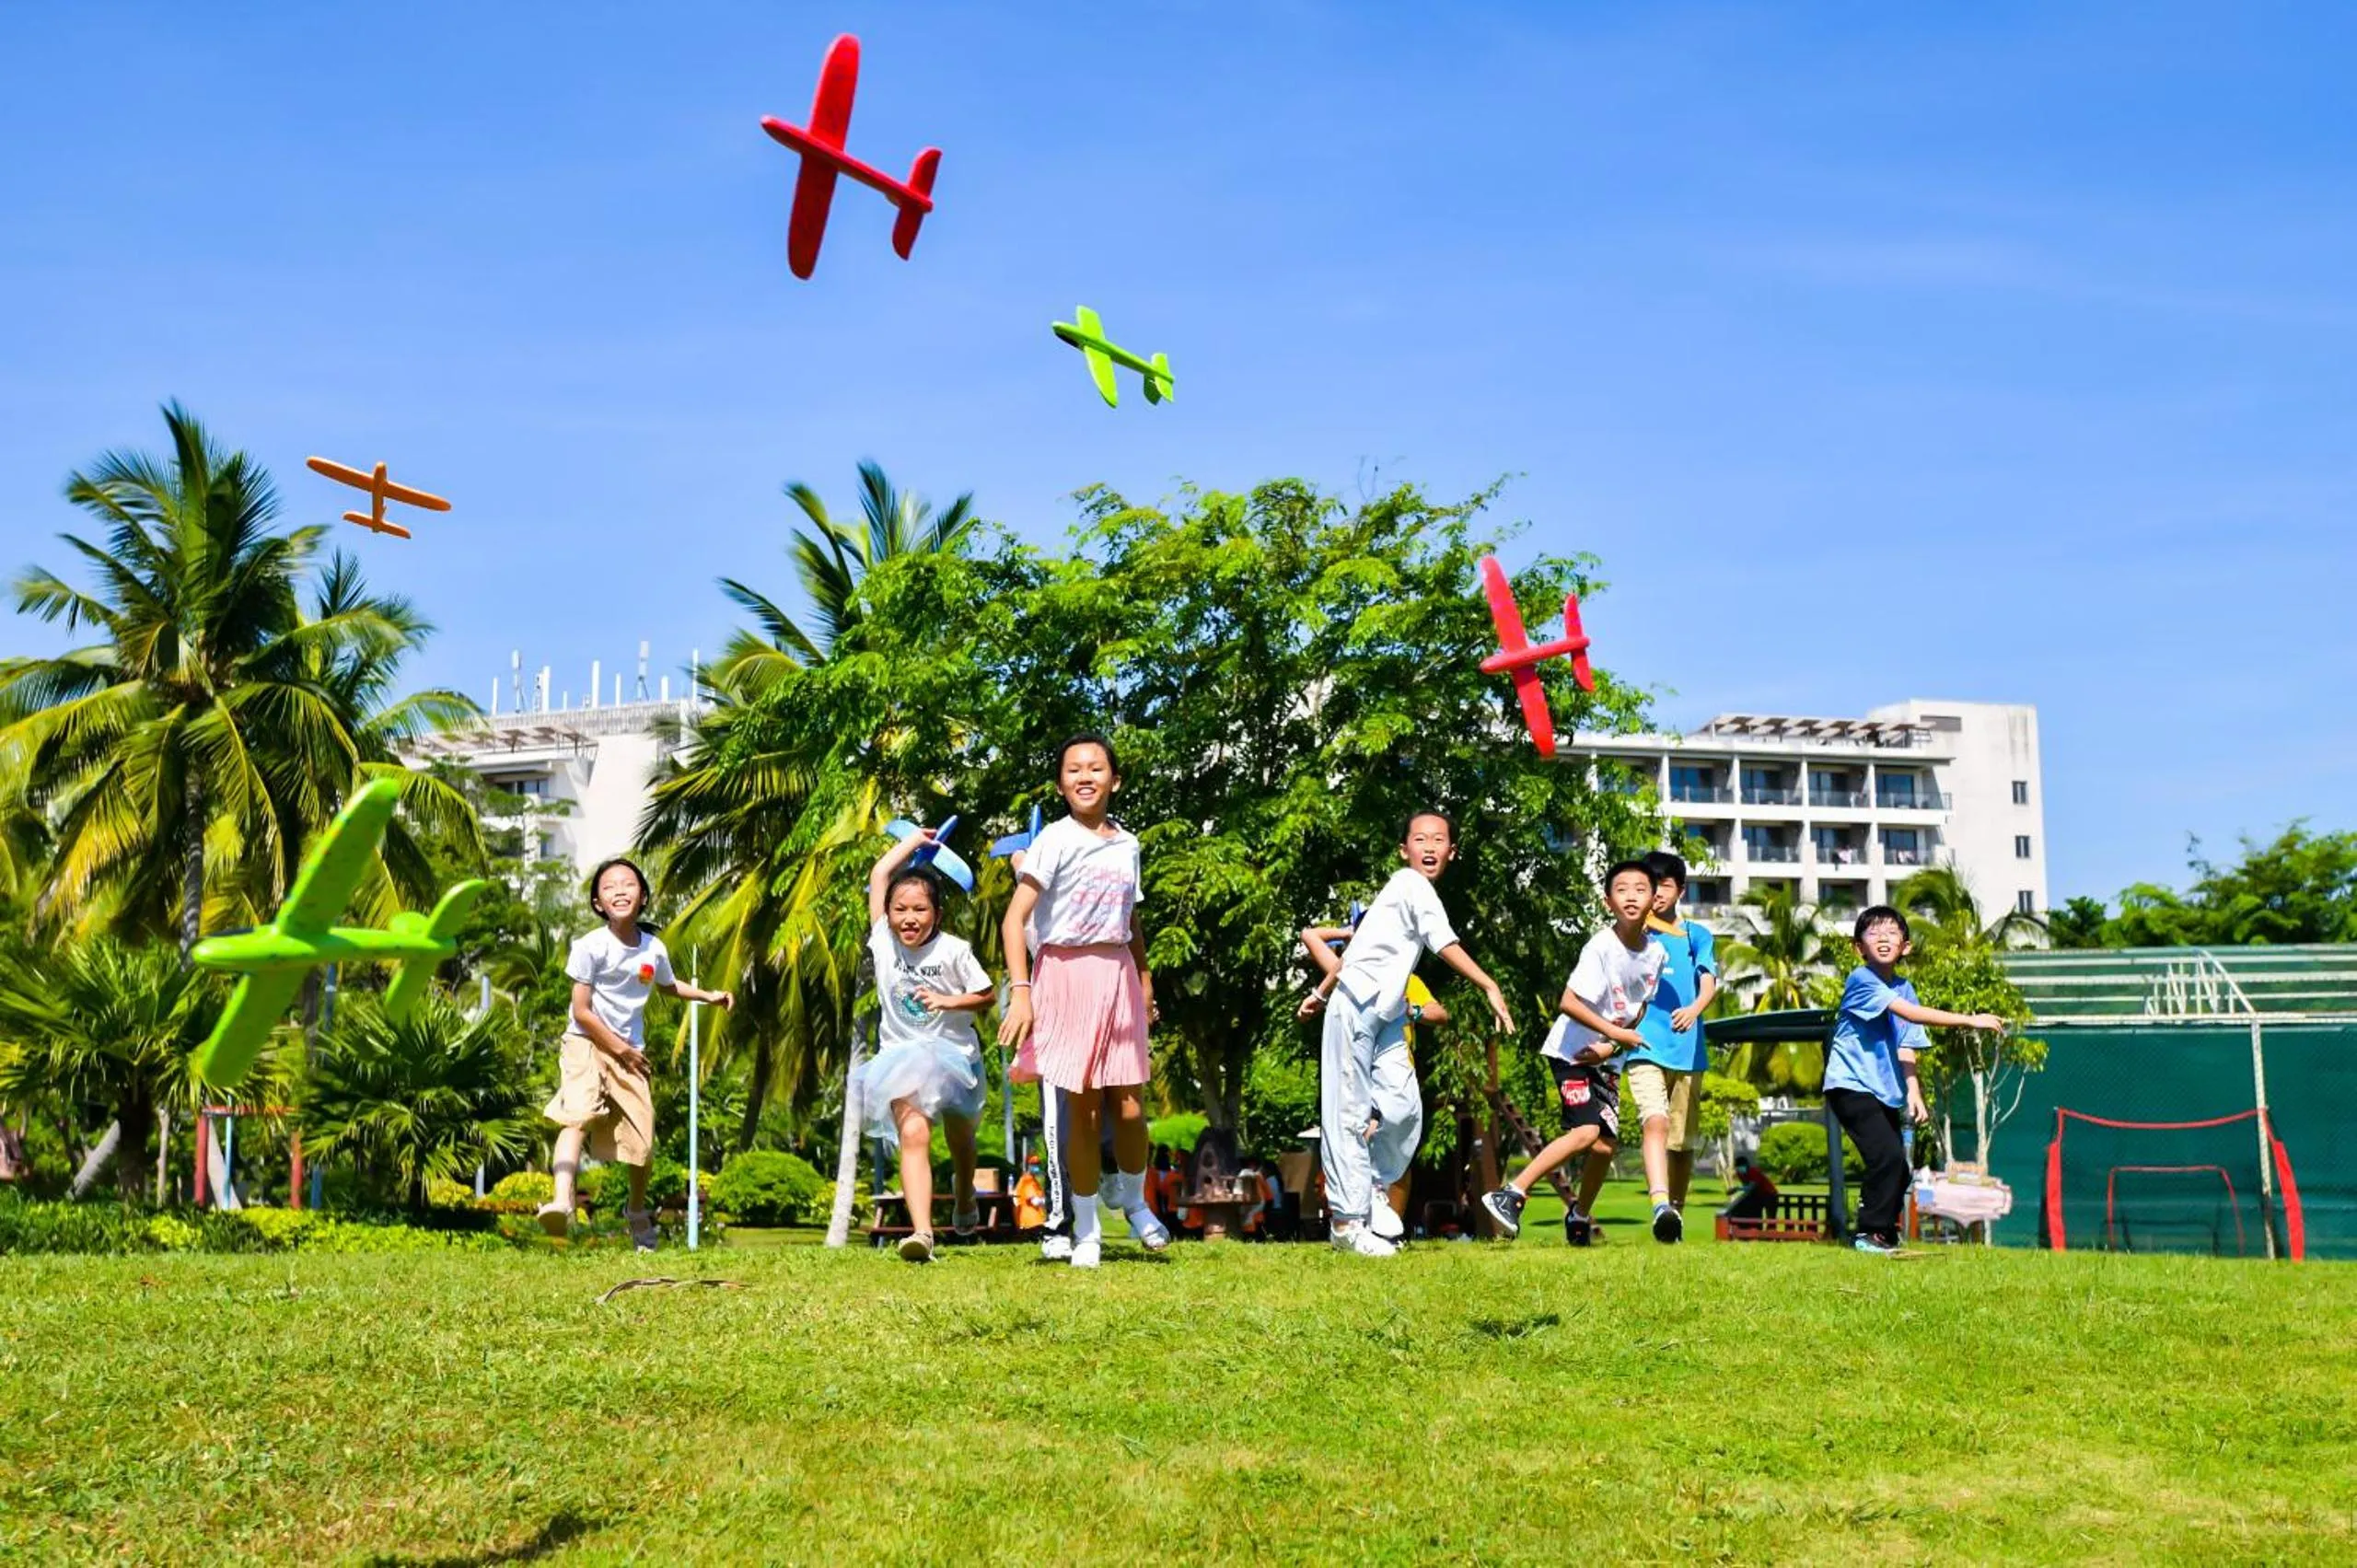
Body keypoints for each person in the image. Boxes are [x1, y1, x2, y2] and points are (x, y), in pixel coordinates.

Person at [1301, 810, 1514, 1258]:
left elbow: (1355, 950)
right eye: (1421, 839)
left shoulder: (1403, 897)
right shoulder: (1408, 883)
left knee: (1402, 1109)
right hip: (1357, 1005)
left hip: (1390, 1010)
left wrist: (1319, 994)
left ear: (1452, 852)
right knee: (1349, 1112)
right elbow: (1444, 943)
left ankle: (1375, 1186)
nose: (1430, 846)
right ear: (1405, 850)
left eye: (1439, 840)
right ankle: (1346, 1222)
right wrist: (1489, 984)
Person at [997, 734, 1166, 1268]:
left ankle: (1134, 1201)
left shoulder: (1128, 845)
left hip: (1116, 973)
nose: (1085, 776)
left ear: (1114, 780)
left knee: (1132, 1105)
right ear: (1061, 784)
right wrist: (1021, 994)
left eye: (1096, 768)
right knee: (1086, 1112)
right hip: (1063, 974)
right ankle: (1087, 1229)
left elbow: (1131, 921)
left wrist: (1145, 983)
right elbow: (1014, 919)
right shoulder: (1053, 839)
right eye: (1073, 769)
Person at [538, 857, 733, 1249]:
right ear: (597, 903)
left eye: (628, 884)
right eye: (609, 887)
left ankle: (637, 1212)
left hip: (631, 1052)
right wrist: (619, 1049)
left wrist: (708, 995)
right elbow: (581, 1011)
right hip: (587, 1043)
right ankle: (561, 1201)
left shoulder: (653, 948)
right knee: (575, 1117)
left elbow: (667, 986)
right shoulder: (589, 947)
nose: (619, 891)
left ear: (643, 896)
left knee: (642, 1145)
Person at [1480, 859, 1666, 1245]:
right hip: (1572, 1053)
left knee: (1604, 1146)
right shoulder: (1600, 946)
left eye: (1640, 889)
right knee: (1585, 1132)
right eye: (1621, 889)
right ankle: (1512, 1193)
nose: (1631, 896)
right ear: (1607, 901)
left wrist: (1611, 1045)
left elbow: (1639, 1007)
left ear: (1655, 898)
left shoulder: (1657, 954)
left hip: (1605, 1056)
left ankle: (1578, 1215)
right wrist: (1611, 1036)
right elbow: (1568, 1001)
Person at [853, 829, 995, 1263]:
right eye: (900, 909)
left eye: (919, 909)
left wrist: (948, 1000)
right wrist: (914, 842)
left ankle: (965, 1197)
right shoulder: (882, 941)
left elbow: (986, 995)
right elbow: (880, 874)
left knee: (960, 1139)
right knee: (913, 1134)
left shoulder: (954, 950)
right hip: (901, 1056)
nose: (908, 918)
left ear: (937, 912)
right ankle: (922, 1234)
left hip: (954, 1057)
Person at [1833, 906, 2004, 1255]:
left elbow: (1907, 1041)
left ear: (1906, 947)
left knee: (1901, 1168)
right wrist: (1970, 1020)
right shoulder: (1862, 979)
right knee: (1888, 1158)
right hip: (1850, 1083)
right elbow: (1909, 1014)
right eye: (1873, 933)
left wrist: (1913, 1090)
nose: (1883, 938)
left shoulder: (1904, 986)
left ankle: (1882, 1234)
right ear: (1858, 948)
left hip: (1884, 1088)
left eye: (1892, 933)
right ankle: (1867, 1234)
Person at [1578, 849, 1720, 1245]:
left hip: (1689, 1052)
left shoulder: (1695, 936)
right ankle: (1660, 1204)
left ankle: (1673, 1216)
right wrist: (1608, 1042)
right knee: (1653, 1119)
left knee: (1682, 1144)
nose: (1655, 895)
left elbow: (1708, 980)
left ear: (1680, 890)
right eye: (1648, 886)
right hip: (1643, 1049)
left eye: (1664, 886)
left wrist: (1694, 1008)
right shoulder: (1631, 937)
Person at [1300, 919, 1450, 1232]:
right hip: (1358, 1078)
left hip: (1396, 1079)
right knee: (1362, 1139)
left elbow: (1441, 1014)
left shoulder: (1408, 979)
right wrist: (1347, 933)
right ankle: (1356, 1222)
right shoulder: (1345, 973)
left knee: (1397, 1156)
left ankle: (1389, 1225)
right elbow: (1309, 935)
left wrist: (1411, 1010)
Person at [1722, 1154, 1779, 1224]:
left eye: (1741, 1166)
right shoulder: (1740, 1174)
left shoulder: (1753, 1171)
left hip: (1770, 1194)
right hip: (1758, 1195)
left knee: (1771, 1218)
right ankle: (1757, 1231)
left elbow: (1752, 1187)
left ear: (1746, 1165)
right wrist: (1735, 1190)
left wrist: (1736, 1189)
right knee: (1756, 1215)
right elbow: (1746, 1187)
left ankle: (1770, 1232)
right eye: (1738, 1167)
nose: (1739, 1169)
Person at [1014, 1154, 1049, 1234]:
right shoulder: (1027, 1180)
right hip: (1031, 1222)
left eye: (1037, 1164)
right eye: (1033, 1164)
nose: (1036, 1166)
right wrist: (1049, 1201)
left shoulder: (1033, 1180)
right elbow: (1035, 1201)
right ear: (1027, 1166)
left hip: (1036, 1220)